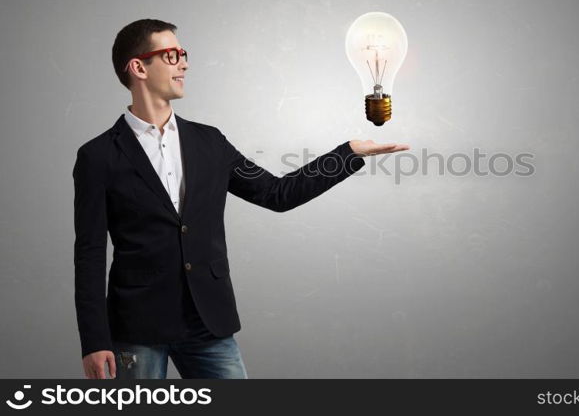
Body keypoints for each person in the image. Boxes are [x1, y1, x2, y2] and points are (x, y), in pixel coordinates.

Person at [73, 19, 409, 379]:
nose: (184, 63)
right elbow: (90, 253)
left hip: (208, 321)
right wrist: (95, 340)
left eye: (183, 54)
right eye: (171, 55)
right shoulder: (98, 156)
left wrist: (348, 154)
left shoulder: (210, 143)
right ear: (138, 67)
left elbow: (276, 194)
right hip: (136, 326)